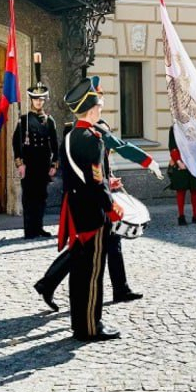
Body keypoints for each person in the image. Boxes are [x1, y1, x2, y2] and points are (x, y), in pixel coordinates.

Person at [34, 111, 163, 312]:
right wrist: (146, 163)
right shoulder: (86, 137)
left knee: (112, 245)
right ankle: (49, 284)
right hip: (91, 203)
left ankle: (121, 288)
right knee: (84, 249)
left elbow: (116, 151)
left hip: (101, 198)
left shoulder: (90, 136)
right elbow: (86, 174)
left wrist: (145, 163)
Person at [58, 77, 127, 341]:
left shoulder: (70, 136)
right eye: (98, 104)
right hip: (92, 215)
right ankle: (90, 326)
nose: (101, 107)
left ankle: (80, 322)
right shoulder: (92, 138)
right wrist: (111, 207)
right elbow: (96, 181)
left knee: (79, 271)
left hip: (76, 211)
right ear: (92, 108)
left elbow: (84, 177)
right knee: (93, 271)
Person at [13, 78, 59, 238]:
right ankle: (29, 229)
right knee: (29, 197)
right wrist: (20, 164)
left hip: (43, 164)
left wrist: (54, 164)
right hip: (29, 164)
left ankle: (39, 227)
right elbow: (16, 143)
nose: (38, 102)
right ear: (31, 100)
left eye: (41, 99)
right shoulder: (24, 120)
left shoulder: (49, 120)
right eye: (35, 99)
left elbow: (54, 144)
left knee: (41, 197)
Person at [167, 125, 196, 225]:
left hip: (195, 163)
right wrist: (178, 161)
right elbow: (173, 147)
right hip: (182, 164)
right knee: (181, 190)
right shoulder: (175, 128)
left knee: (195, 190)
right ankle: (181, 216)